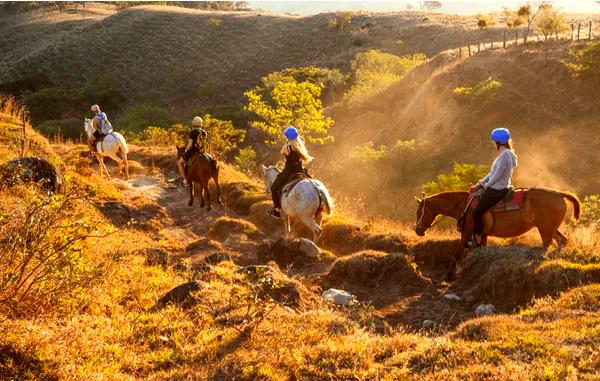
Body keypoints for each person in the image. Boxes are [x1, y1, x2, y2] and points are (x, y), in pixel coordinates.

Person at [469, 127, 518, 248]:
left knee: (477, 212)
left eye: (494, 141)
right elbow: (492, 173)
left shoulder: (505, 154)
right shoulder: (506, 153)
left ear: (498, 141)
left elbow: (498, 175)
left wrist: (486, 186)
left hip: (497, 189)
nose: (493, 143)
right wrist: (480, 183)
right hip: (496, 187)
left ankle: (478, 240)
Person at [268, 126, 313, 218]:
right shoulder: (300, 146)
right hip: (300, 170)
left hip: (289, 171)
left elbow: (282, 152)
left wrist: (287, 143)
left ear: (287, 137)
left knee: (273, 189)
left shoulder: (287, 147)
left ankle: (276, 210)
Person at [177, 116, 217, 187]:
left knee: (180, 163)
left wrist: (186, 150)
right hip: (202, 151)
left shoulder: (193, 132)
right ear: (201, 124)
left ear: (194, 123)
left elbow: (190, 145)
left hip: (193, 151)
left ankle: (185, 180)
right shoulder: (204, 132)